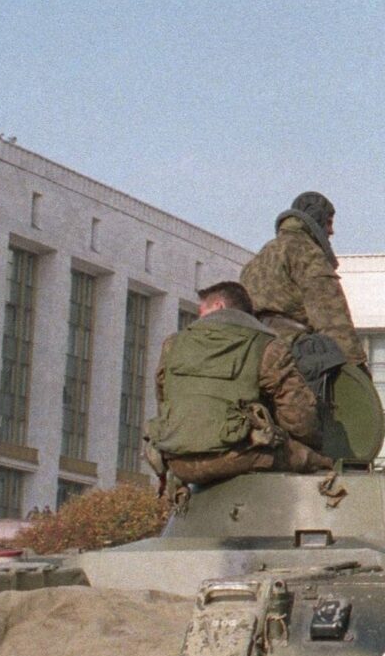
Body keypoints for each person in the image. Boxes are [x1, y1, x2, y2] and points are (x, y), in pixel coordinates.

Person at [144, 281, 331, 487]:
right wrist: (309, 443)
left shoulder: (173, 344)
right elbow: (299, 415)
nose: (199, 318)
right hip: (238, 457)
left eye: (201, 311)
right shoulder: (267, 346)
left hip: (178, 462)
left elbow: (163, 398)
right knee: (324, 464)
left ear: (219, 306)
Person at [240, 191, 366, 369]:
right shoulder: (307, 252)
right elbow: (330, 316)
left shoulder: (261, 255)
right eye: (329, 222)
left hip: (254, 352)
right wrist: (356, 366)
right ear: (316, 218)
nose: (332, 231)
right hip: (294, 356)